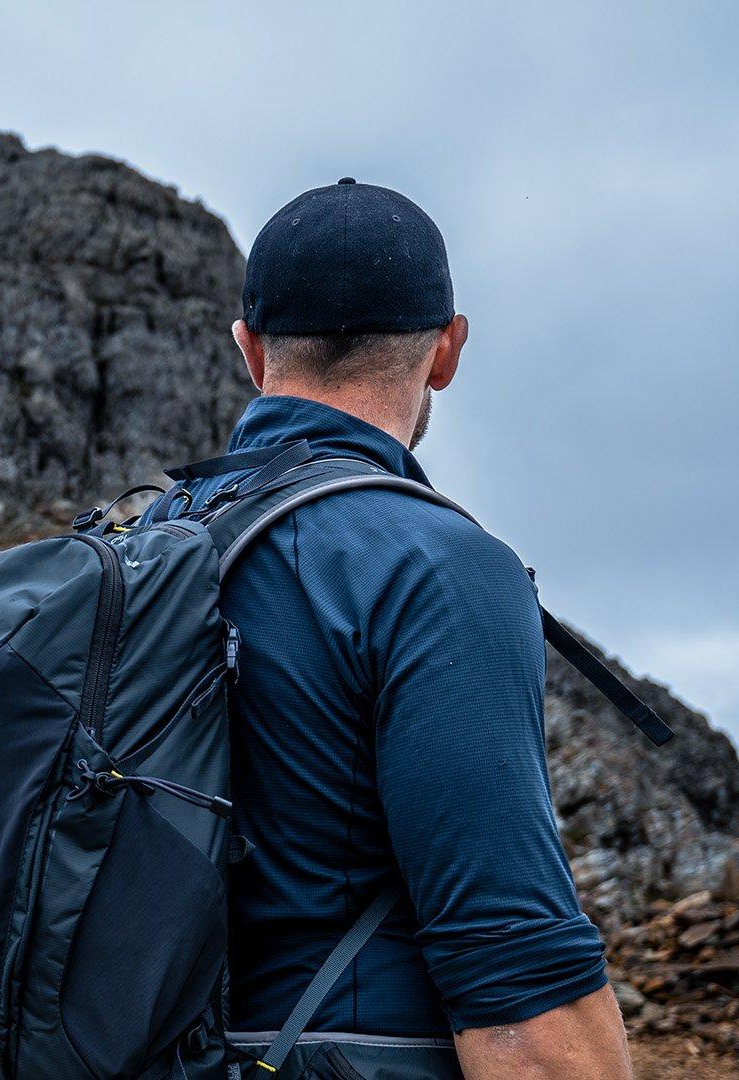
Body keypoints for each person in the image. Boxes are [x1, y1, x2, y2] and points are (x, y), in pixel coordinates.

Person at [142, 179, 633, 1078]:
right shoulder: (436, 567)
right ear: (448, 349)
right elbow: (519, 975)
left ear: (250, 351)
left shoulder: (146, 543)